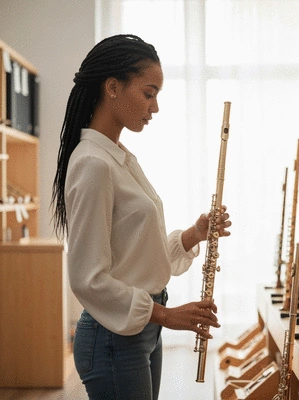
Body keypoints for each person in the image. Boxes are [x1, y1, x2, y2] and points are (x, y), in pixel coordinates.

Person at [51, 34, 231, 400]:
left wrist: (193, 235)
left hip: (139, 331)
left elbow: (132, 257)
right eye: (149, 93)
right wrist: (166, 315)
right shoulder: (93, 164)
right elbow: (88, 279)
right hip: (114, 337)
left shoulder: (119, 158)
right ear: (113, 87)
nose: (155, 107)